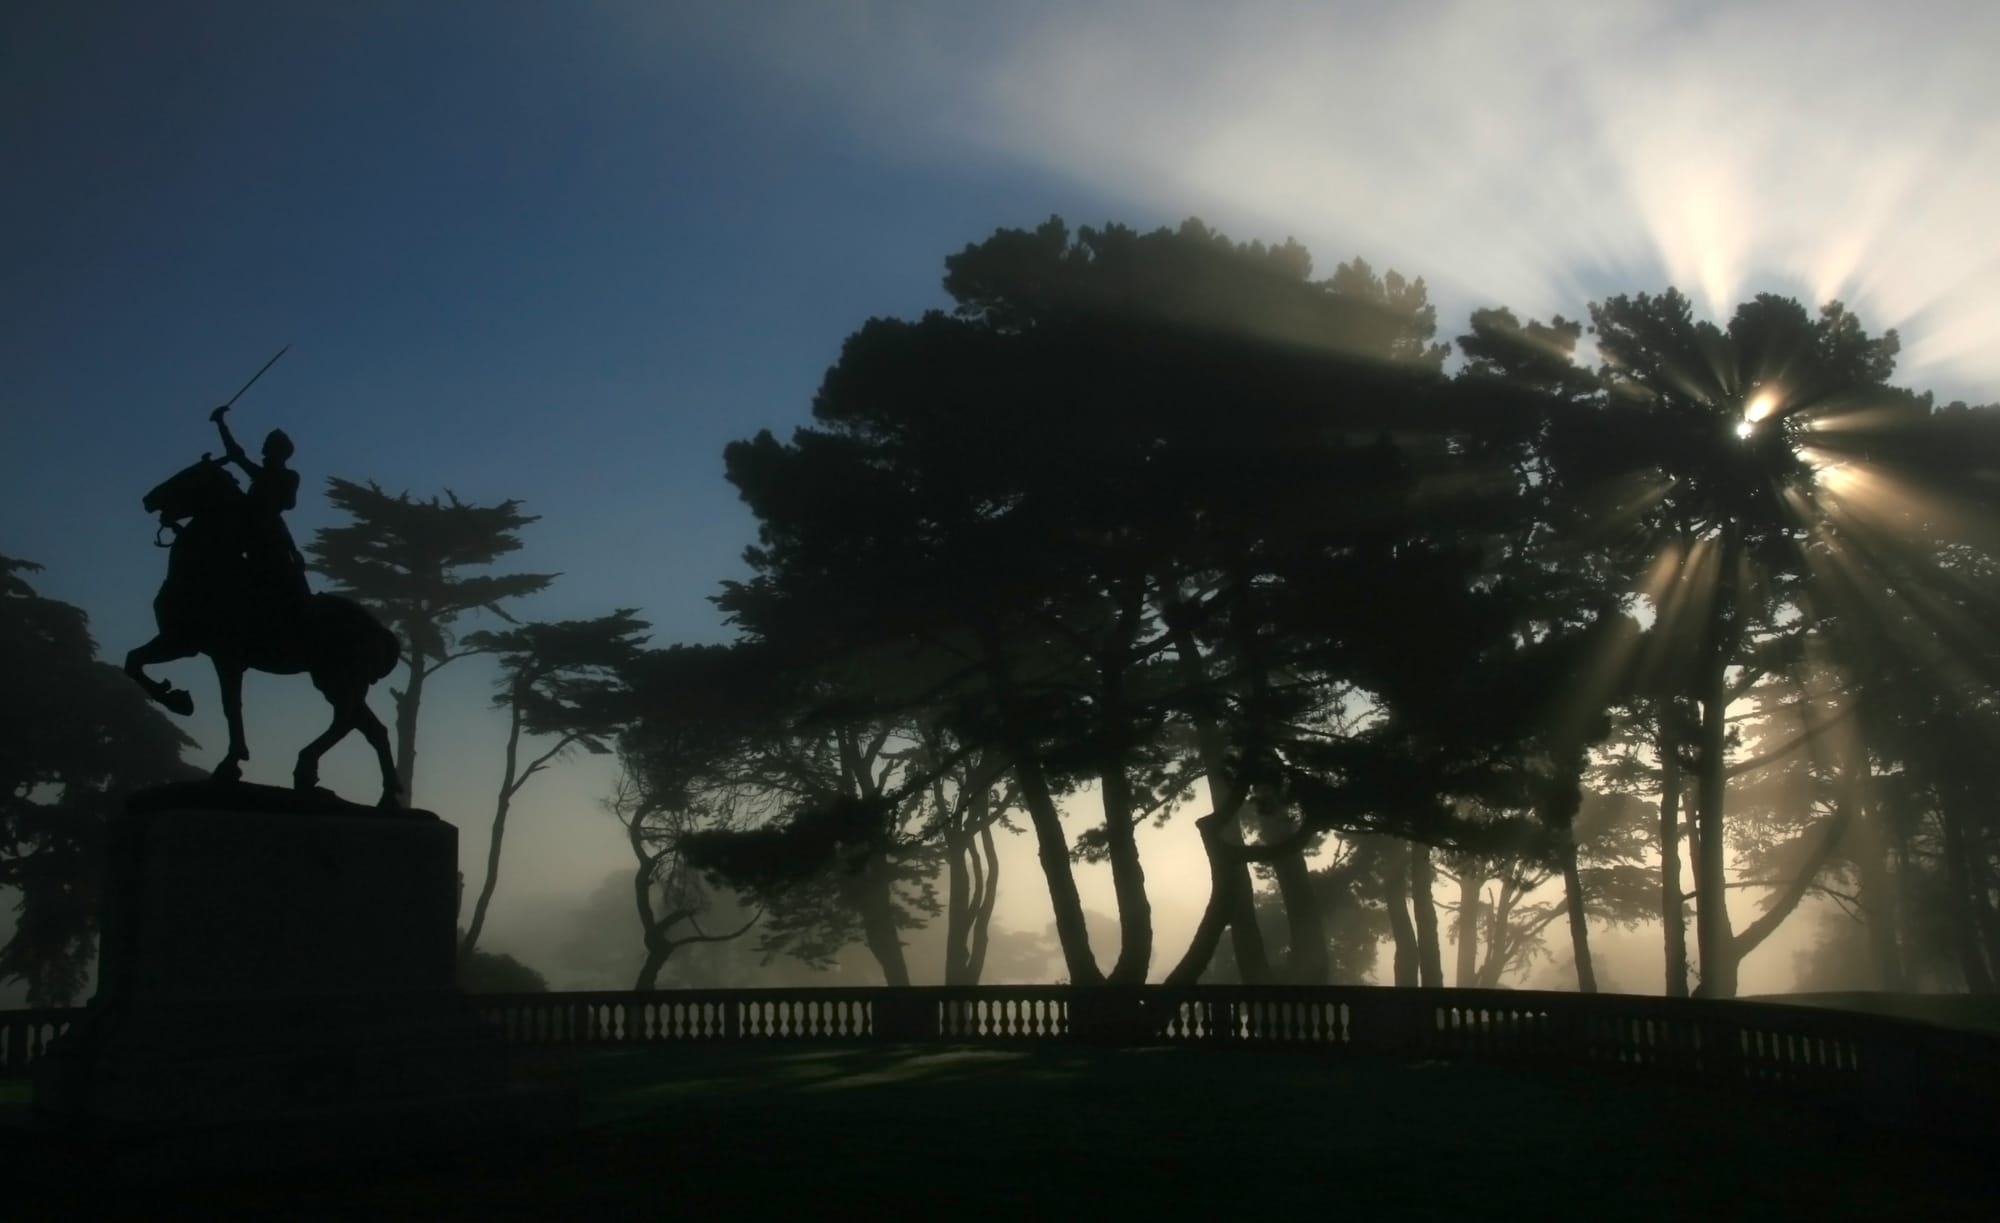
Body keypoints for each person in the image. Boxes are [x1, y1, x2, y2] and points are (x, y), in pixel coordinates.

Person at [209, 404, 310, 606]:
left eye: (268, 445)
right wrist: (221, 424)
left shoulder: (287, 476)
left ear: (277, 452)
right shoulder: (264, 474)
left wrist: (221, 424)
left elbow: (289, 504)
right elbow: (236, 455)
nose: (263, 449)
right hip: (253, 529)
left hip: (268, 535)